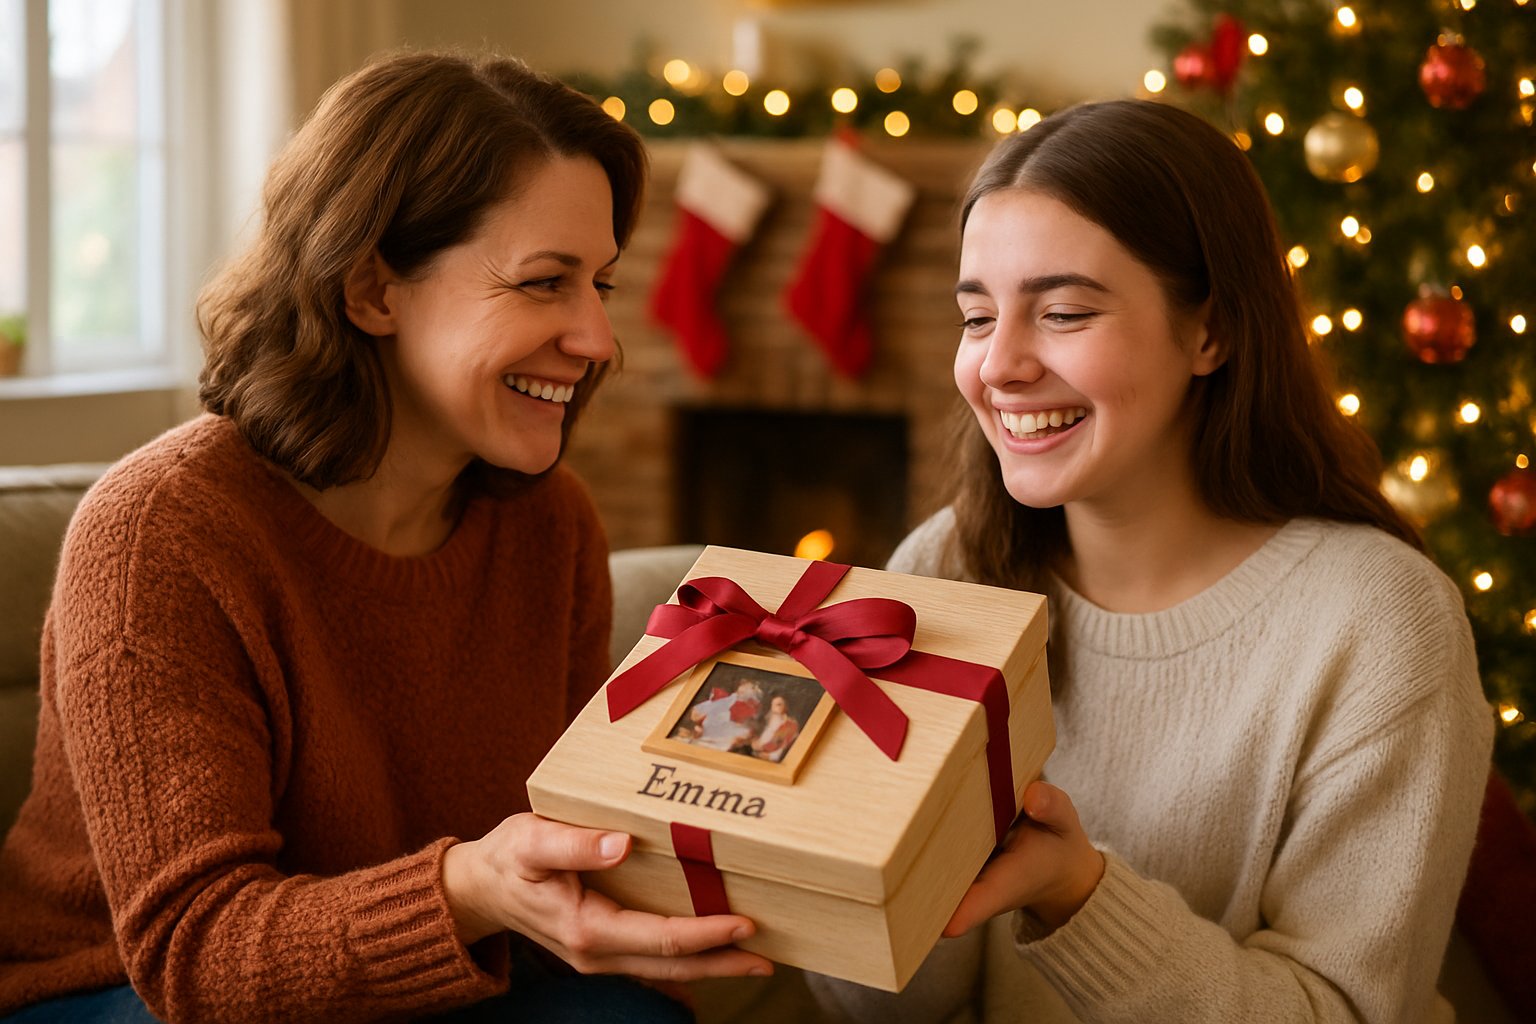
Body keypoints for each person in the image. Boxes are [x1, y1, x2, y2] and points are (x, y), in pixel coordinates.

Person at [0, 52, 771, 1024]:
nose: (597, 340)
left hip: (428, 970)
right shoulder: (161, 530)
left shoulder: (549, 521)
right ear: (373, 292)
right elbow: (196, 955)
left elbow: (570, 835)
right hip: (122, 991)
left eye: (602, 286)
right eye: (544, 283)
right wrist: (468, 890)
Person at [805, 99, 1492, 1023]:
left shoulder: (1377, 622)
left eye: (1063, 311)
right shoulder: (942, 570)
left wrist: (1076, 896)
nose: (998, 365)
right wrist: (843, 868)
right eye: (976, 318)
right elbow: (886, 1011)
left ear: (1211, 331)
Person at [749, 695, 800, 763]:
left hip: (771, 759)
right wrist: (754, 743)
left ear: (786, 707)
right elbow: (755, 738)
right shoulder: (766, 720)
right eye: (772, 704)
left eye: (778, 704)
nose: (774, 707)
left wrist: (769, 756)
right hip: (755, 754)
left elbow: (783, 749)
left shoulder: (791, 725)